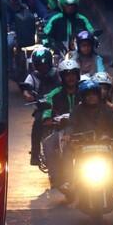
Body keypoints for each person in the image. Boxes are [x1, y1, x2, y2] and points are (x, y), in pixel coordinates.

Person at [62, 80, 113, 189]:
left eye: (93, 94)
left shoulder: (108, 109)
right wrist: (67, 134)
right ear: (83, 97)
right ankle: (69, 180)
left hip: (106, 143)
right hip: (81, 144)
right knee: (66, 149)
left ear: (98, 95)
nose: (91, 97)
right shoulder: (77, 110)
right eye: (87, 95)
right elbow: (71, 124)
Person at [41, 59, 81, 188]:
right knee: (48, 143)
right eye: (67, 75)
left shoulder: (85, 92)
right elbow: (47, 110)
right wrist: (48, 118)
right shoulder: (54, 94)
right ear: (62, 77)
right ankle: (56, 177)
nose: (71, 78)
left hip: (84, 128)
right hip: (61, 129)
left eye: (73, 74)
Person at [22, 49, 61, 165]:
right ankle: (35, 154)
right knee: (37, 124)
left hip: (59, 105)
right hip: (42, 107)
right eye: (40, 65)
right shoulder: (32, 77)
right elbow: (26, 90)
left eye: (45, 64)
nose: (43, 67)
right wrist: (28, 95)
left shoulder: (57, 73)